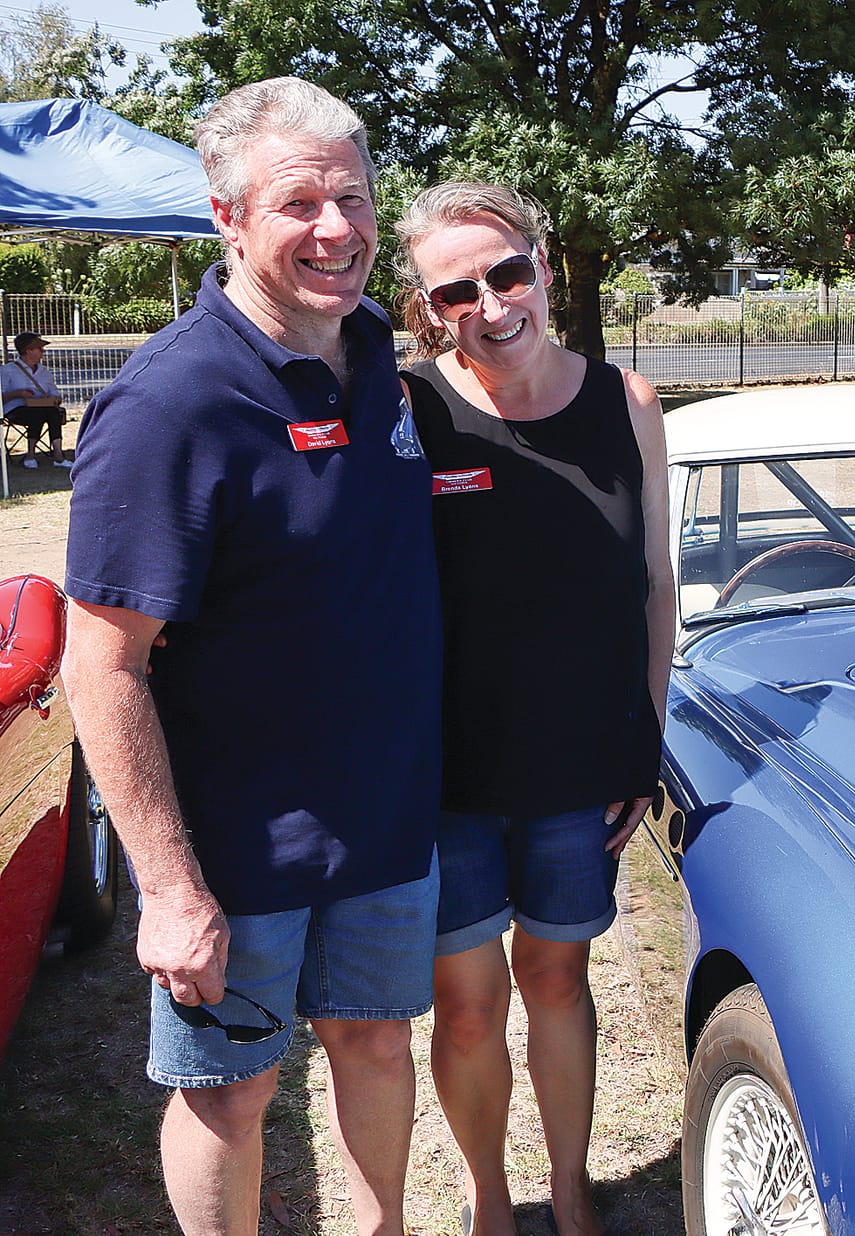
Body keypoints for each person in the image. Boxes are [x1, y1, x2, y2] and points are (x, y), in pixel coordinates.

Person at [60, 77, 442, 1236]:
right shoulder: (170, 403)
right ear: (227, 220)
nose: (337, 228)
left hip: (381, 821)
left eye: (355, 196)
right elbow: (101, 666)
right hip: (233, 847)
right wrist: (170, 890)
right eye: (298, 203)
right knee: (231, 1091)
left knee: (375, 1047)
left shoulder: (375, 348)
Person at [395, 182, 672, 1236]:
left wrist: (641, 744)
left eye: (508, 274)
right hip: (448, 780)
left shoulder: (628, 405)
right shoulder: (410, 412)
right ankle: (489, 1200)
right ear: (429, 310)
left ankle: (568, 1186)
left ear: (542, 268)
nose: (492, 303)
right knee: (467, 1009)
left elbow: (657, 587)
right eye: (457, 290)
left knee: (557, 983)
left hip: (581, 771)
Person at [2, 332, 68, 469]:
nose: (42, 351)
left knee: (54, 412)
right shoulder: (7, 370)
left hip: (43, 408)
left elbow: (54, 392)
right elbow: (1, 397)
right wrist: (19, 393)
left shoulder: (45, 372)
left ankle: (58, 454)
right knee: (37, 413)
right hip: (16, 409)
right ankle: (30, 454)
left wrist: (55, 399)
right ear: (28, 350)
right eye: (39, 348)